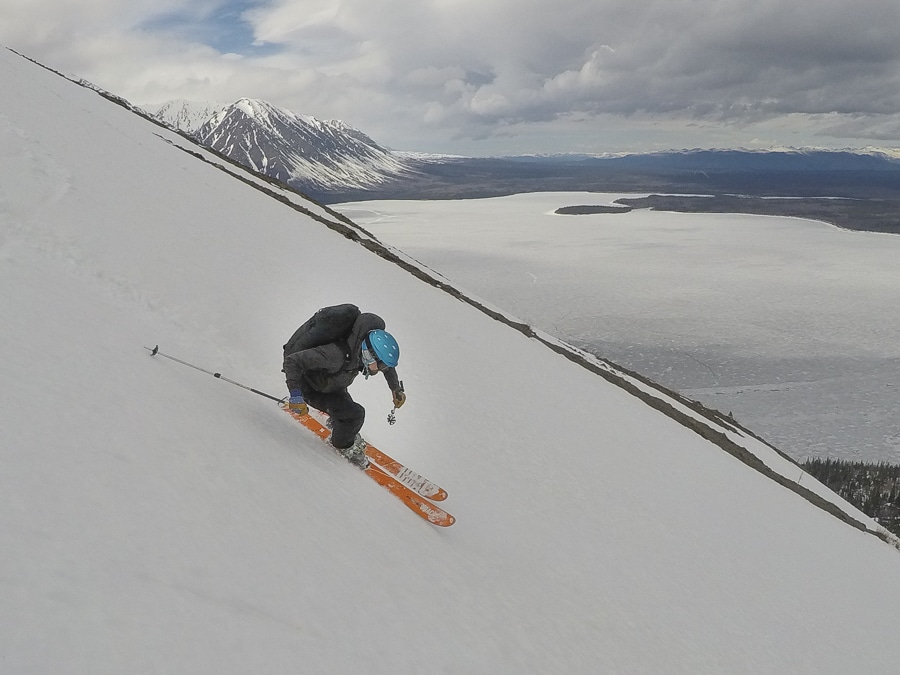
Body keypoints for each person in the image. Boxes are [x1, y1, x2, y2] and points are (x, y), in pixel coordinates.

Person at [283, 304, 406, 468]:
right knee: (355, 414)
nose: (383, 369)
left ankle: (340, 425)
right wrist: (296, 395)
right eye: (381, 366)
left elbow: (388, 367)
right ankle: (344, 446)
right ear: (369, 355)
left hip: (332, 385)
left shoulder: (360, 345)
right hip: (312, 388)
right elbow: (292, 361)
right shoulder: (335, 356)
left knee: (346, 412)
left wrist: (395, 388)